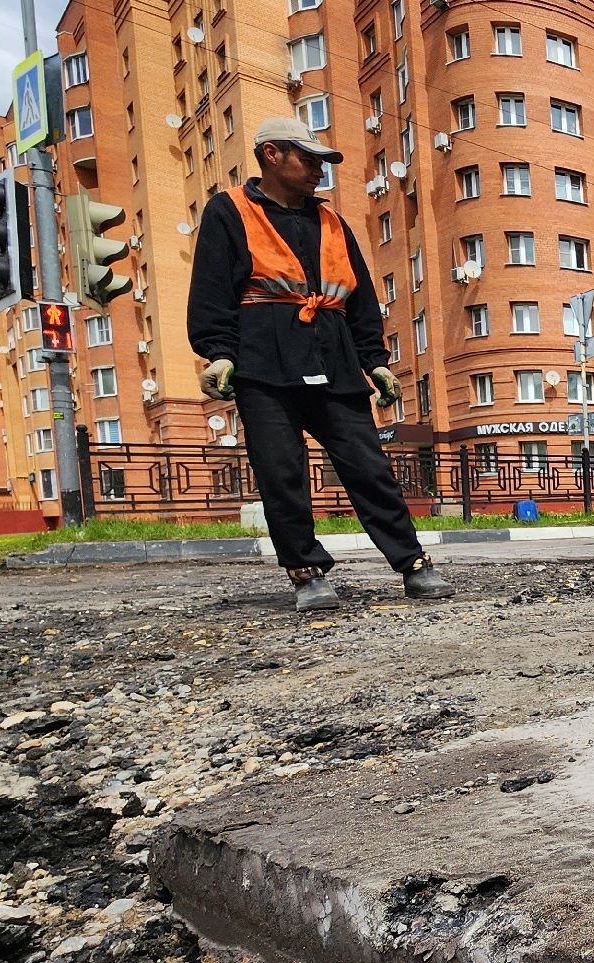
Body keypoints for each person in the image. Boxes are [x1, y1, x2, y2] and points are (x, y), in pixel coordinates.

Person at [187, 117, 454, 612]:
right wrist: (218, 352)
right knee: (281, 473)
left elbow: (361, 298)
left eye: (321, 162)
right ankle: (306, 572)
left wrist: (375, 361)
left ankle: (413, 564)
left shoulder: (332, 221)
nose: (318, 170)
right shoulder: (229, 210)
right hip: (264, 366)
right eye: (308, 159)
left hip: (334, 361)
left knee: (369, 467)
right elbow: (211, 290)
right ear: (272, 155)